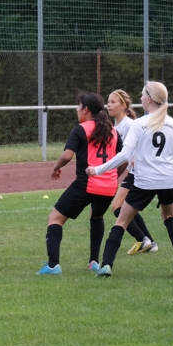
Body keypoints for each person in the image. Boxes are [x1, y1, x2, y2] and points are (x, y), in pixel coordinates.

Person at [89, 82, 173, 277]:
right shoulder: (172, 124)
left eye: (143, 95)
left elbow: (125, 155)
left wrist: (98, 169)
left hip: (144, 182)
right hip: (169, 181)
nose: (141, 98)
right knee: (169, 217)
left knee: (121, 221)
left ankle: (106, 266)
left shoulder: (138, 124)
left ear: (149, 99)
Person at [36, 93, 122, 275]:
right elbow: (123, 159)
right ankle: (94, 262)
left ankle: (53, 265)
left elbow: (67, 155)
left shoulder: (80, 129)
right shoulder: (113, 131)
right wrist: (113, 177)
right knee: (97, 217)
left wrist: (55, 167)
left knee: (55, 218)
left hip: (87, 183)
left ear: (86, 110)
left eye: (78, 106)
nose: (77, 110)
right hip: (109, 187)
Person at [106, 89, 158, 254]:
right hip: (133, 172)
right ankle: (149, 242)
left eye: (113, 102)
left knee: (117, 206)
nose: (108, 105)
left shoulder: (129, 125)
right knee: (127, 208)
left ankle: (143, 239)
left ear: (123, 106)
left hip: (138, 172)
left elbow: (141, 146)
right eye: (108, 102)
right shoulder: (116, 127)